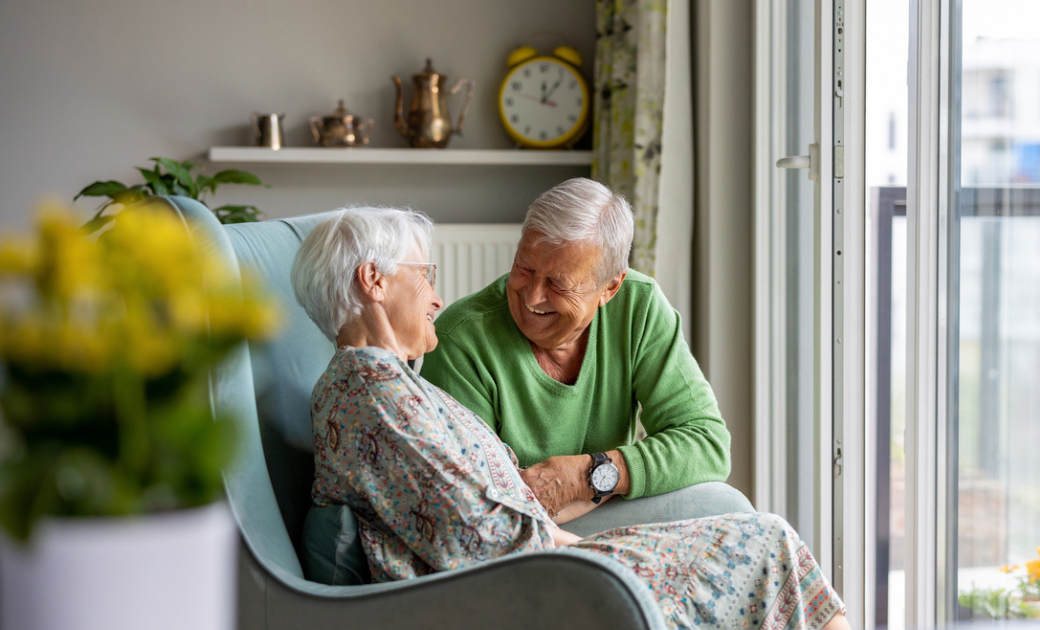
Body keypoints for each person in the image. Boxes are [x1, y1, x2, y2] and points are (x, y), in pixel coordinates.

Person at [291, 207, 850, 630]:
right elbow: (479, 535)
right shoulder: (377, 393)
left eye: (557, 282)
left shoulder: (390, 385)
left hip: (538, 556)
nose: (436, 297)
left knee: (752, 535)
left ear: (610, 288)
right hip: (525, 579)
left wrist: (587, 496)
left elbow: (480, 513)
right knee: (763, 542)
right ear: (374, 281)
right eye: (426, 275)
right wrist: (600, 552)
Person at [421, 178, 728, 522]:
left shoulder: (637, 308)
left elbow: (707, 443)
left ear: (609, 288)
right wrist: (606, 487)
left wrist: (586, 476)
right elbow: (475, 510)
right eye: (524, 268)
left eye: (558, 283)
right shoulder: (460, 341)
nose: (533, 296)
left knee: (727, 506)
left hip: (602, 514)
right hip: (519, 538)